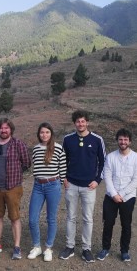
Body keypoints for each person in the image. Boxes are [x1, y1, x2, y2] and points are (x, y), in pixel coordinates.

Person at [59, 110, 106, 263]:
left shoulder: (97, 140)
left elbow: (103, 163)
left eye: (83, 121)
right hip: (71, 184)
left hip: (89, 187)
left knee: (88, 218)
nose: (80, 124)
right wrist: (63, 178)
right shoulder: (67, 139)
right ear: (75, 123)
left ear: (87, 122)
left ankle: (86, 248)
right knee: (71, 217)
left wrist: (97, 180)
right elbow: (62, 160)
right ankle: (70, 246)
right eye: (78, 121)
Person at [0, 117, 31, 260]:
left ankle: (17, 247)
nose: (3, 130)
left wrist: (15, 175)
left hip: (13, 188)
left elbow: (26, 163)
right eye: (1, 128)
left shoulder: (18, 144)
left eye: (6, 128)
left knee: (14, 217)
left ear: (11, 129)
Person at [27, 122, 66, 262]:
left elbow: (63, 169)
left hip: (53, 185)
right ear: (39, 134)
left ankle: (48, 248)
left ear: (51, 134)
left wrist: (57, 185)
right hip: (38, 186)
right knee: (32, 218)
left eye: (47, 132)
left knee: (51, 218)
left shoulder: (58, 148)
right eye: (42, 132)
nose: (44, 135)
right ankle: (37, 247)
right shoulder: (36, 149)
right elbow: (35, 168)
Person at [96, 128, 137, 262]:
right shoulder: (110, 157)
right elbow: (107, 177)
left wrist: (122, 194)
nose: (123, 142)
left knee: (126, 224)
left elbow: (135, 179)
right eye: (120, 139)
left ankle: (124, 251)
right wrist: (114, 194)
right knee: (108, 223)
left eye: (125, 139)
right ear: (117, 141)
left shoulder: (135, 158)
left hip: (128, 196)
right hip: (110, 196)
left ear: (130, 141)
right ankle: (105, 248)